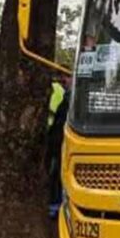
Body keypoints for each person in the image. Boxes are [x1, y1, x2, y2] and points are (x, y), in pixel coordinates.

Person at [46, 75, 71, 219]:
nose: (65, 82)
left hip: (57, 141)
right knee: (56, 174)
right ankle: (56, 207)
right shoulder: (63, 94)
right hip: (56, 141)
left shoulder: (64, 95)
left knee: (57, 174)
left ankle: (56, 207)